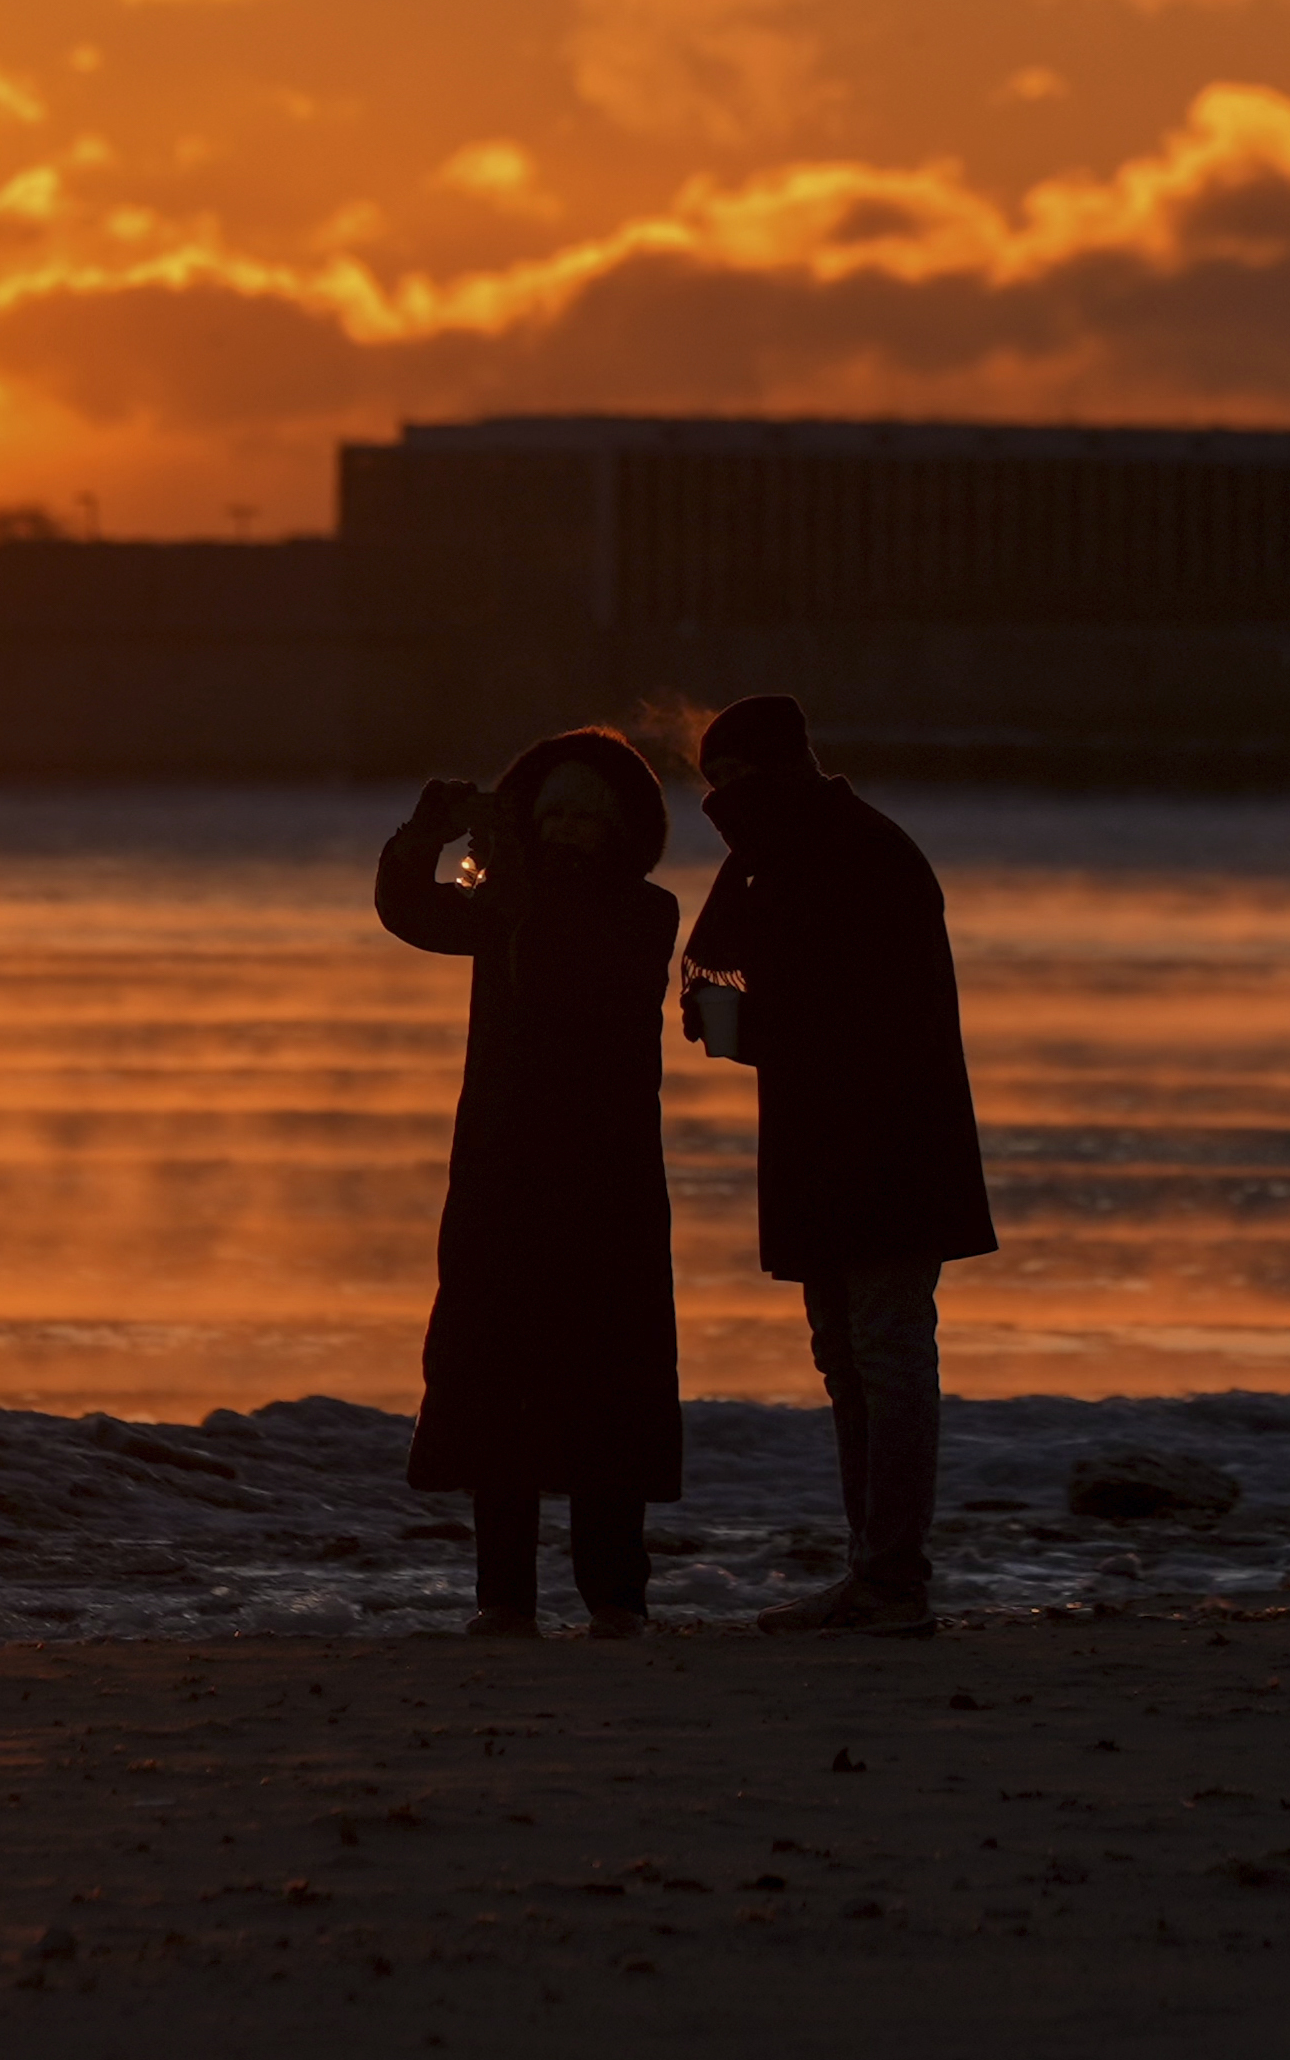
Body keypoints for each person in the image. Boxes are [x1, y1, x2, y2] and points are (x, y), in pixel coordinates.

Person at [679, 693, 993, 1635]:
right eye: (715, 784)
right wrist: (720, 1006)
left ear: (787, 766)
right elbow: (717, 960)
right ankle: (877, 1571)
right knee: (850, 1360)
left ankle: (892, 1578)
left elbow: (858, 1011)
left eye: (737, 779)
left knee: (886, 1357)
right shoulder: (774, 858)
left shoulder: (861, 853)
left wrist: (746, 1025)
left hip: (890, 1141)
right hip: (828, 1143)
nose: (727, 799)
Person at [375, 727, 686, 1638]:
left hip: (608, 1186)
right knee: (494, 1382)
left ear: (624, 827)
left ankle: (615, 1597)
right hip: (500, 1177)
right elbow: (406, 908)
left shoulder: (644, 912)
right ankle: (502, 1597)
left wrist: (505, 868)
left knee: (608, 1386)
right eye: (550, 813)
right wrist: (425, 829)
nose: (568, 831)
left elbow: (570, 962)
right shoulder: (498, 904)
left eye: (587, 817)